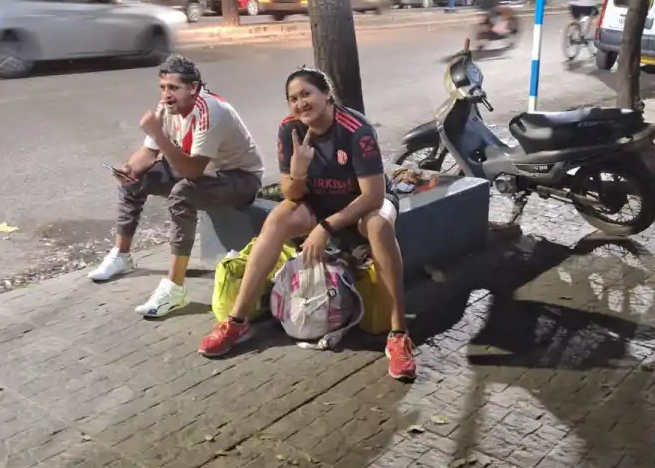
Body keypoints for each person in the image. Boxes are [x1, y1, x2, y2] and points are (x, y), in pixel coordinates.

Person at [198, 67, 418, 381]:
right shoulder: (290, 129)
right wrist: (298, 170)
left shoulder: (357, 130)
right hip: (317, 202)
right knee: (277, 219)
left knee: (379, 226)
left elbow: (373, 195)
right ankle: (237, 320)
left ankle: (399, 334)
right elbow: (290, 193)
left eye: (306, 94)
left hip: (361, 204)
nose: (300, 103)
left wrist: (325, 228)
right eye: (293, 98)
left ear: (327, 95)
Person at [91, 54, 264, 317]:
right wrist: (130, 169)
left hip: (238, 178)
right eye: (163, 87)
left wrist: (158, 133)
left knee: (182, 195)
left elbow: (191, 171)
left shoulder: (211, 111)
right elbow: (149, 152)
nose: (166, 95)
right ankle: (121, 255)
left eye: (173, 88)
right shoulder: (167, 108)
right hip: (202, 171)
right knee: (136, 180)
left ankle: (174, 288)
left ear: (193, 87)